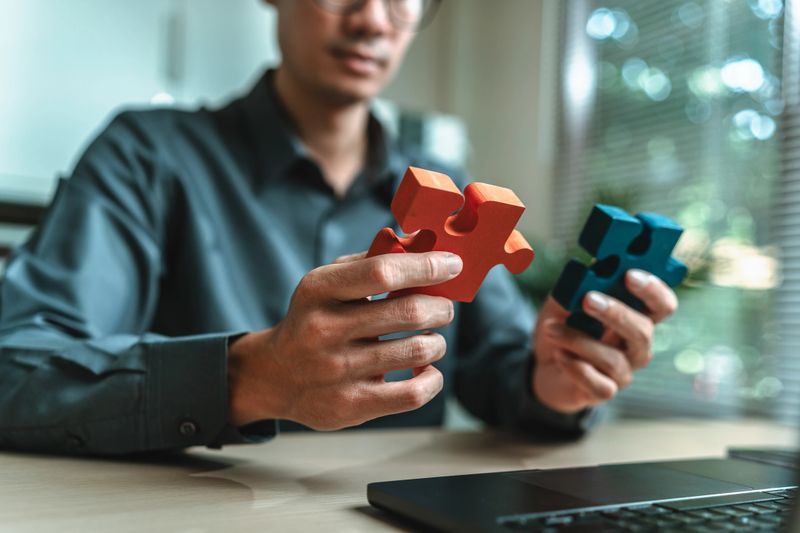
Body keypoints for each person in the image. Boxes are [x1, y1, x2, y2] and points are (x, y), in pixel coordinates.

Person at [0, 0, 678, 455]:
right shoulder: (145, 156)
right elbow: (17, 368)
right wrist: (245, 378)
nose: (373, 19)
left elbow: (500, 365)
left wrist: (551, 383)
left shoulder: (447, 183)